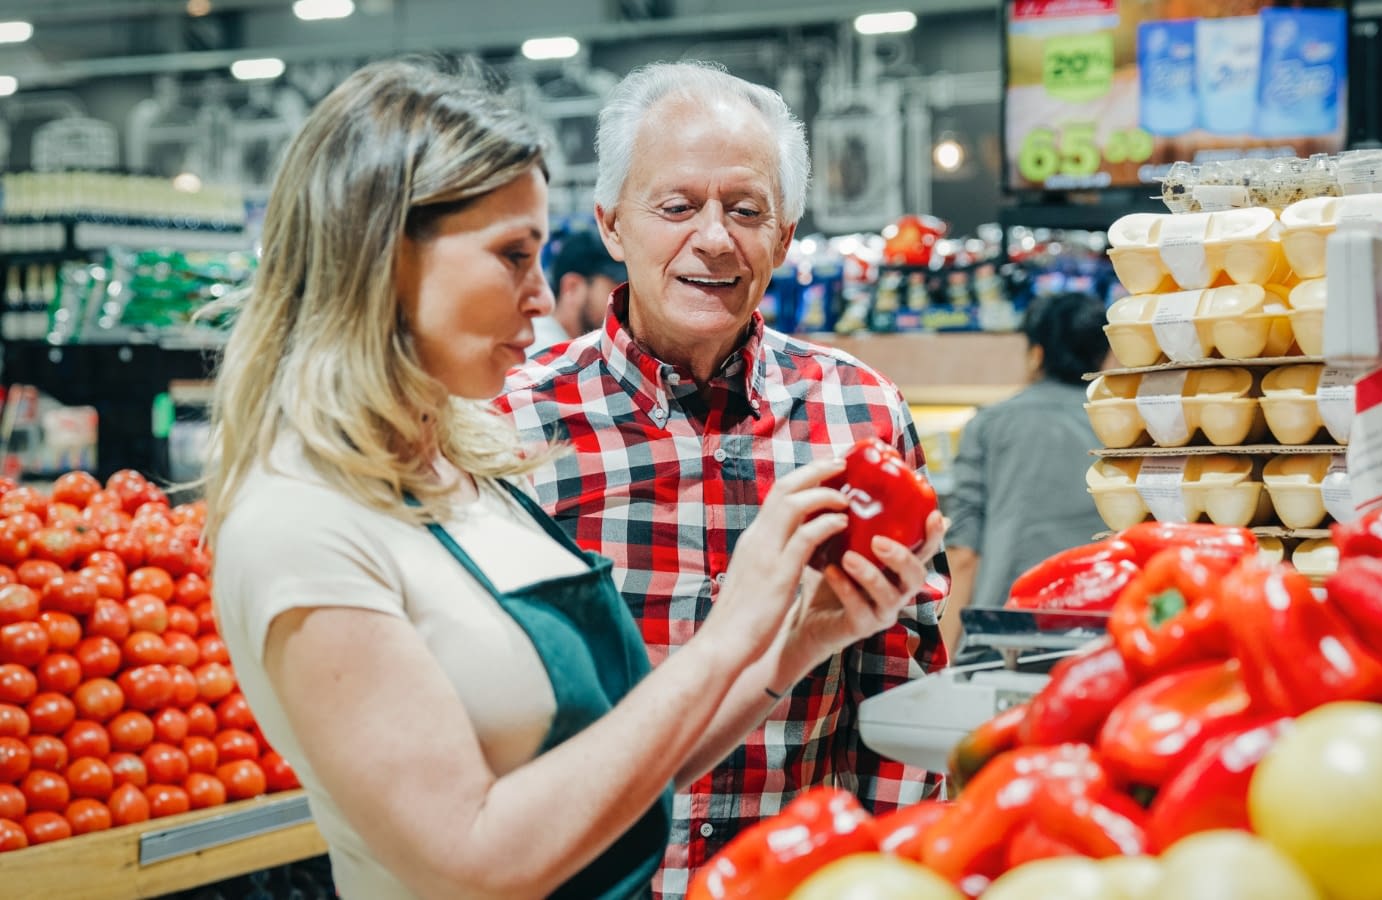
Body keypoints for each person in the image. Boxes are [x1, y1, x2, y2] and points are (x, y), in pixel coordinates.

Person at [204, 58, 939, 900]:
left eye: (746, 211)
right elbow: (472, 858)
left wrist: (803, 636)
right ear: (383, 259)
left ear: (784, 230)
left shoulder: (465, 464)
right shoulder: (311, 515)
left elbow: (629, 757)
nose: (545, 293)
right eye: (513, 255)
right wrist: (740, 624)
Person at [495, 61, 949, 898]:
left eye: (746, 210)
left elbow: (899, 686)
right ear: (612, 225)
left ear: (783, 235)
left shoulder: (861, 415)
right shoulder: (514, 427)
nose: (714, 238)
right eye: (676, 206)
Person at [940, 291, 1111, 649]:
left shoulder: (989, 424)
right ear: (1103, 354)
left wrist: (945, 653)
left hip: (1004, 626)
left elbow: (963, 553)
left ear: (1037, 353)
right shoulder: (1124, 426)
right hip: (1104, 622)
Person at [530, 228, 627, 353]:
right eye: (615, 291)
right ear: (572, 288)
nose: (624, 306)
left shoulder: (570, 349)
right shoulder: (537, 352)